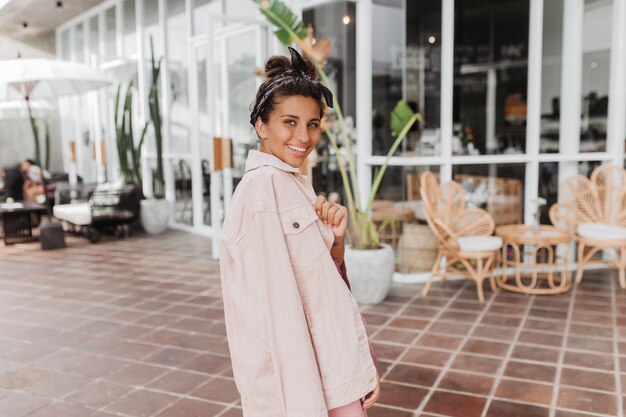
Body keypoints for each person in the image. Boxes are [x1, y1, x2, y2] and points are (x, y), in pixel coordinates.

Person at [219, 47, 380, 417]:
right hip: (306, 388)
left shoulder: (291, 183)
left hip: (328, 374)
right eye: (289, 122)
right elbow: (279, 316)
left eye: (312, 124)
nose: (303, 137)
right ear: (261, 125)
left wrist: (336, 241)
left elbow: (321, 290)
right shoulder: (263, 191)